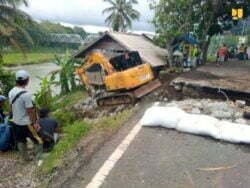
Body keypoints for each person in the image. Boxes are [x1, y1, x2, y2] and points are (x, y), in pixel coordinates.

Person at [8, 70, 43, 162]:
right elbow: (30, 111)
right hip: (27, 123)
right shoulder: (26, 94)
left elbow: (11, 107)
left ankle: (24, 159)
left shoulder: (11, 92)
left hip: (16, 122)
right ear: (27, 80)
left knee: (20, 141)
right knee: (37, 139)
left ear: (16, 80)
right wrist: (35, 123)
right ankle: (39, 158)